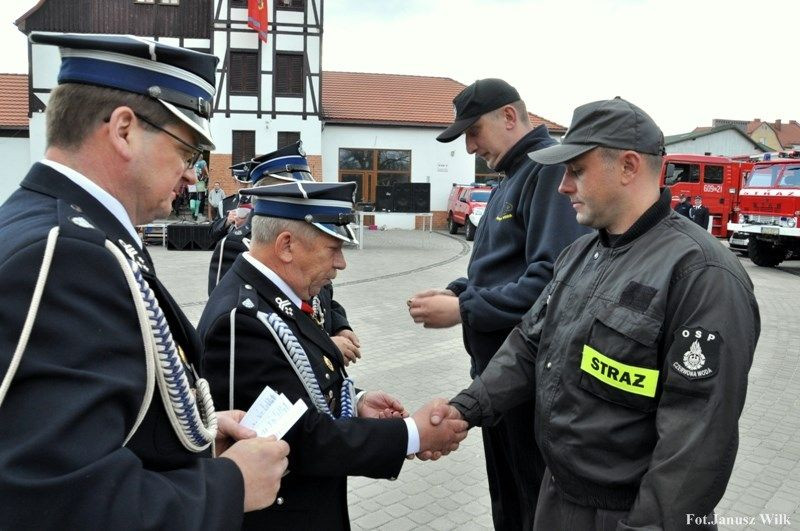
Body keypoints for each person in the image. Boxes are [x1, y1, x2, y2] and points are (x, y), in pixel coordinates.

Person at [0, 33, 290, 528]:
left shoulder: (62, 228)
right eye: (190, 151)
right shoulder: (68, 253)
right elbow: (56, 499)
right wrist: (228, 486)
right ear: (124, 130)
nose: (195, 177)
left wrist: (190, 433)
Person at [442, 97, 760, 530]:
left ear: (628, 167)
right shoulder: (580, 253)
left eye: (576, 171)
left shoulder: (701, 275)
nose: (563, 187)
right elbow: (529, 344)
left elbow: (697, 440)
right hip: (558, 496)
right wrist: (465, 408)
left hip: (626, 513)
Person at [198, 180, 469, 529]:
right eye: (332, 248)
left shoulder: (274, 298)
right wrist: (411, 433)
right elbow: (298, 438)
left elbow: (292, 391)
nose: (341, 263)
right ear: (286, 246)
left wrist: (354, 402)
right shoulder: (241, 319)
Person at [408, 78, 590, 530]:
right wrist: (456, 290)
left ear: (510, 117)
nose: (470, 147)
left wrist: (465, 310)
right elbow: (496, 269)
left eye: (474, 132)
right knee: (509, 504)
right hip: (499, 380)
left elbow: (552, 282)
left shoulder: (547, 173)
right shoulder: (512, 176)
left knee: (532, 505)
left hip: (530, 382)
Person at [208, 143, 363, 365]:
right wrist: (324, 347)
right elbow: (242, 308)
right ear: (269, 189)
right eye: (295, 187)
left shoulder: (307, 236)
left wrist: (339, 325)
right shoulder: (237, 244)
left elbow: (323, 295)